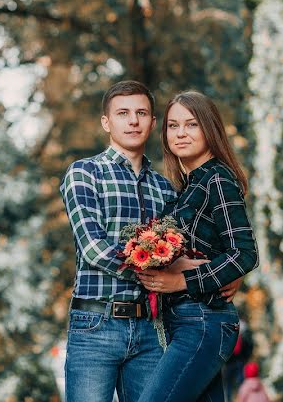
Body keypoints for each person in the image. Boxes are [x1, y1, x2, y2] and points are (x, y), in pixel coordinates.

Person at [61, 81, 239, 402]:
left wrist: (224, 274)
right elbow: (93, 249)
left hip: (152, 328)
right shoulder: (84, 173)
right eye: (123, 113)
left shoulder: (166, 189)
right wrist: (165, 275)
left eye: (141, 113)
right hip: (95, 325)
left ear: (153, 123)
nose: (133, 121)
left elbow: (202, 247)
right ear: (106, 122)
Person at [136, 91, 259, 402]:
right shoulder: (191, 186)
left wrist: (181, 280)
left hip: (203, 322)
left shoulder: (217, 178)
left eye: (191, 125)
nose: (180, 133)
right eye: (173, 126)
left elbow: (245, 252)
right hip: (187, 322)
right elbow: (220, 250)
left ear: (209, 129)